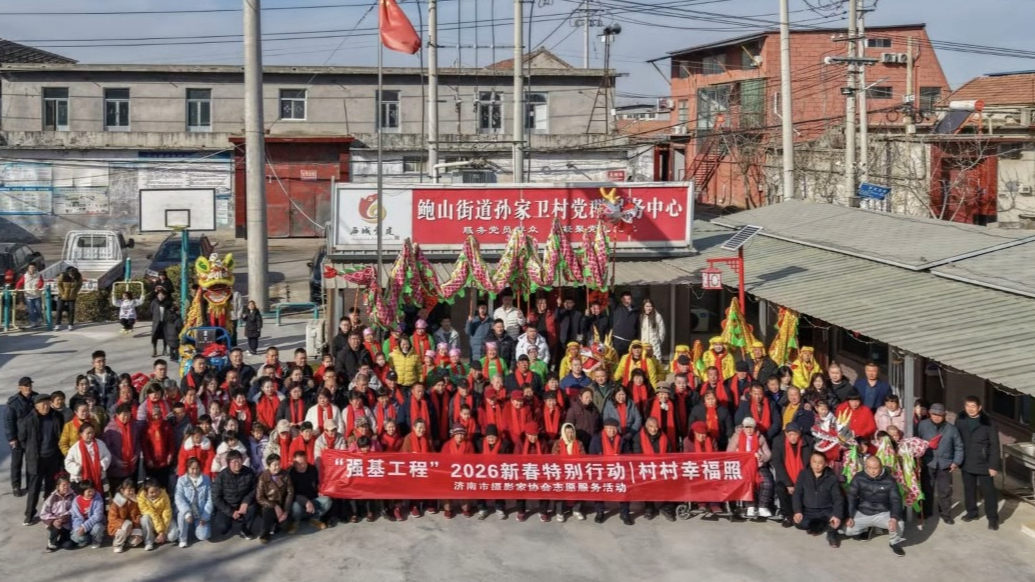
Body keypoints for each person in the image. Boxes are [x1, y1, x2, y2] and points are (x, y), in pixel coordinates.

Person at [842, 456, 906, 556]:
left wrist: (894, 518)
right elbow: (851, 496)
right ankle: (866, 528)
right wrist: (849, 516)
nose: (872, 471)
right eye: (869, 468)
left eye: (875, 468)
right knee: (847, 530)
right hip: (862, 512)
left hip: (882, 513)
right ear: (865, 467)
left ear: (881, 467)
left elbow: (896, 500)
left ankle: (894, 542)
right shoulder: (858, 477)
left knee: (899, 524)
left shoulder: (890, 481)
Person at [956, 396, 1001, 530]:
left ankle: (992, 518)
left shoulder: (988, 422)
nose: (970, 409)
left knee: (989, 492)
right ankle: (972, 512)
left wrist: (993, 465)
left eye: (973, 406)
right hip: (966, 461)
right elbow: (956, 439)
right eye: (967, 406)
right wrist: (956, 459)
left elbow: (994, 445)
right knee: (969, 489)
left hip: (984, 463)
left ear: (979, 407)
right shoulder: (961, 420)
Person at [19, 393, 64, 526]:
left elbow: (60, 435)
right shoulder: (29, 420)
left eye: (48, 403)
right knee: (34, 488)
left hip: (53, 458)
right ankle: (29, 514)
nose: (46, 406)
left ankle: (49, 512)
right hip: (37, 460)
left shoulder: (57, 417)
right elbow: (22, 439)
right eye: (43, 404)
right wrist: (31, 451)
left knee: (51, 488)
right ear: (36, 406)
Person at [792, 452, 844, 548]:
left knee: (836, 521)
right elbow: (797, 494)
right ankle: (820, 526)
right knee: (798, 523)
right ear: (810, 462)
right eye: (814, 462)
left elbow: (837, 498)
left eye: (820, 462)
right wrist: (798, 511)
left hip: (826, 510)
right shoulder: (804, 474)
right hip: (809, 510)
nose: (817, 465)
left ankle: (831, 534)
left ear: (825, 464)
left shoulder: (831, 478)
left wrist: (836, 515)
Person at [728, 417, 774, 518]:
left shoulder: (760, 437)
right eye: (746, 428)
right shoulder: (737, 436)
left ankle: (762, 506)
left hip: (758, 465)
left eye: (751, 428)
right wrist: (740, 455)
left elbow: (768, 453)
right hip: (742, 466)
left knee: (767, 482)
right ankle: (750, 506)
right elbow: (729, 453)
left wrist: (761, 457)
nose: (749, 430)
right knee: (748, 482)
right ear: (743, 428)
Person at [590, 418, 633, 525]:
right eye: (609, 428)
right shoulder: (597, 439)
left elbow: (628, 455)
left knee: (625, 487)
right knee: (598, 487)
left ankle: (624, 513)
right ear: (604, 428)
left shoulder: (622, 439)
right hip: (602, 469)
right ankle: (600, 512)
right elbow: (591, 456)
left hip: (618, 469)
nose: (612, 431)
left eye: (614, 428)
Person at [770, 422, 812, 527]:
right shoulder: (778, 442)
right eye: (790, 435)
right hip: (786, 477)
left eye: (795, 435)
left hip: (803, 477)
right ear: (786, 434)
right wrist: (788, 483)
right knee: (780, 489)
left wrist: (800, 483)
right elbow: (777, 464)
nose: (793, 438)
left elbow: (810, 464)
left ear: (800, 434)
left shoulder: (808, 442)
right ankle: (788, 515)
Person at [212, 449, 259, 540]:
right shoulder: (221, 476)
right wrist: (231, 512)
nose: (236, 464)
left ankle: (245, 528)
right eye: (233, 462)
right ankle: (230, 521)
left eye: (239, 460)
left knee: (253, 507)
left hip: (243, 504)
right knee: (222, 527)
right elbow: (216, 497)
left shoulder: (249, 472)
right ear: (228, 463)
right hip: (228, 505)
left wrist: (245, 502)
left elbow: (254, 489)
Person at [6, 376, 37, 498]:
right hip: (18, 439)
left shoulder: (36, 398)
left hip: (31, 438)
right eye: (26, 385)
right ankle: (16, 486)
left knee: (31, 462)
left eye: (30, 385)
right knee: (16, 463)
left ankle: (31, 484)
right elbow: (9, 421)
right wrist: (11, 438)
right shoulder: (13, 402)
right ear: (20, 388)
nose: (28, 387)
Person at [174, 457, 213, 547]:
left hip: (200, 511)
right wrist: (187, 513)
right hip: (187, 510)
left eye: (197, 468)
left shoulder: (206, 479)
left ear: (200, 468)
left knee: (204, 535)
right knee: (181, 514)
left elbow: (210, 499)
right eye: (192, 469)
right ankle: (182, 538)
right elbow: (179, 498)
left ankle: (194, 528)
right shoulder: (181, 480)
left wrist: (205, 516)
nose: (194, 471)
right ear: (188, 469)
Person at [255, 453, 294, 543]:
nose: (277, 467)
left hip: (282, 504)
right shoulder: (263, 477)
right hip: (268, 505)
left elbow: (290, 493)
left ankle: (277, 524)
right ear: (268, 466)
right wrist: (274, 506)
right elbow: (259, 497)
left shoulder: (285, 475)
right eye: (274, 465)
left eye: (279, 464)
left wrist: (286, 511)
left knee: (285, 525)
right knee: (267, 512)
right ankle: (265, 534)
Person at [288, 450, 332, 530]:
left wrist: (320, 491)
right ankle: (295, 522)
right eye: (299, 464)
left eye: (304, 462)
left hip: (313, 500)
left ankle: (314, 519)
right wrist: (305, 501)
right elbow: (291, 493)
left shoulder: (312, 469)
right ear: (294, 463)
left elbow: (318, 483)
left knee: (327, 500)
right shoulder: (290, 473)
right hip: (300, 502)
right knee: (295, 507)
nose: (302, 465)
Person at [65, 423, 111, 490]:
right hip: (81, 480)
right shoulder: (75, 447)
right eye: (88, 433)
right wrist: (78, 469)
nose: (90, 435)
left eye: (92, 432)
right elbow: (68, 462)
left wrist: (102, 464)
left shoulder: (100, 444)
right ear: (81, 434)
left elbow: (108, 455)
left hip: (98, 477)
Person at [138, 477, 177, 550]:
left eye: (157, 491)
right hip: (152, 521)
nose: (155, 494)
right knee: (145, 518)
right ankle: (149, 541)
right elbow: (153, 515)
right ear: (146, 493)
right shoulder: (141, 498)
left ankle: (159, 538)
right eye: (152, 492)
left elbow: (167, 513)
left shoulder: (164, 495)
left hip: (163, 520)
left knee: (173, 536)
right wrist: (161, 531)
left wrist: (163, 531)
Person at [108, 479, 144, 553]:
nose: (131, 492)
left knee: (138, 539)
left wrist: (137, 528)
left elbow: (137, 515)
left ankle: (127, 542)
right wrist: (124, 524)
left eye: (132, 490)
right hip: (118, 527)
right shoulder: (115, 503)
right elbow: (112, 519)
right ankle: (117, 544)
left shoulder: (135, 501)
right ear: (122, 490)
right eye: (129, 490)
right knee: (125, 528)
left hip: (131, 527)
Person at [41, 477, 76, 552]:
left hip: (68, 522)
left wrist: (66, 516)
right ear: (58, 487)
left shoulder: (73, 496)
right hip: (55, 522)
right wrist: (53, 520)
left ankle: (60, 541)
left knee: (69, 545)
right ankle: (51, 543)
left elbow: (75, 509)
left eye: (67, 485)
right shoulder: (52, 498)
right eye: (63, 485)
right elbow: (44, 513)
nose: (66, 487)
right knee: (56, 527)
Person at [70, 480, 106, 548]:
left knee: (97, 528)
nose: (91, 493)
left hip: (95, 523)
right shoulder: (76, 501)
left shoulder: (98, 499)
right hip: (82, 523)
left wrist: (85, 527)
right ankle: (87, 538)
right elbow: (75, 517)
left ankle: (96, 540)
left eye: (93, 490)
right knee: (75, 536)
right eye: (89, 491)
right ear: (83, 492)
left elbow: (97, 516)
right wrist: (79, 528)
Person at [15, 263, 44, 328]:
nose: (32, 269)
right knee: (31, 310)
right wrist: (17, 287)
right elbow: (20, 282)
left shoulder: (39, 275)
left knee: (38, 308)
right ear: (28, 268)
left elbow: (41, 282)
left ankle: (39, 319)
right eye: (30, 268)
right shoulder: (25, 276)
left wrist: (38, 286)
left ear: (35, 268)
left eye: (33, 267)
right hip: (28, 295)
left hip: (36, 294)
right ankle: (33, 322)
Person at [55, 265, 82, 331]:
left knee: (71, 310)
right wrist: (62, 293)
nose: (72, 277)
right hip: (62, 296)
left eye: (73, 275)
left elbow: (80, 285)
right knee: (59, 309)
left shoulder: (78, 276)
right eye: (71, 275)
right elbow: (59, 284)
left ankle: (70, 324)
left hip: (72, 296)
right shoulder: (63, 275)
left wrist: (76, 292)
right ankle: (57, 325)